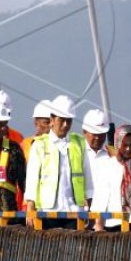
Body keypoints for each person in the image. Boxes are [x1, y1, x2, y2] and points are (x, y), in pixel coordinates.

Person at [24, 95, 93, 229]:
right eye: (62, 120)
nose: (66, 125)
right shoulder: (40, 145)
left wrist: (88, 207)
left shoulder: (79, 143)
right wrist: (30, 209)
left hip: (74, 211)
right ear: (52, 120)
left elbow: (87, 176)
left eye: (69, 121)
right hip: (47, 211)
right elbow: (32, 179)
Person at [81, 109, 113, 190]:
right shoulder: (76, 153)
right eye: (94, 134)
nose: (97, 138)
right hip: (82, 201)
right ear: (84, 132)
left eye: (101, 134)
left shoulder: (112, 154)